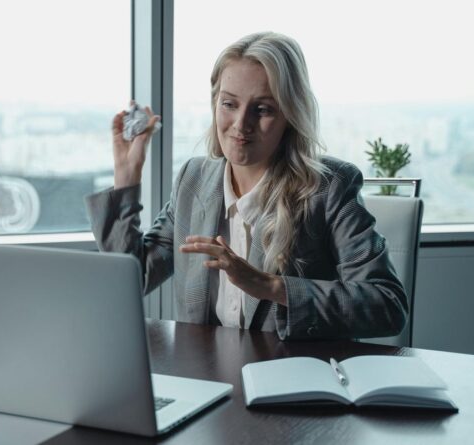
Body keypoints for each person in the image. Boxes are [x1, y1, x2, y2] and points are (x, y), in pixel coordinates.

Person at [85, 31, 407, 340]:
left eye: (263, 109)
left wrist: (269, 286)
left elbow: (387, 304)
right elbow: (131, 278)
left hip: (289, 385)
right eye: (229, 104)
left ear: (290, 116)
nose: (241, 124)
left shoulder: (329, 188)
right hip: (207, 381)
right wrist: (127, 175)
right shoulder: (192, 181)